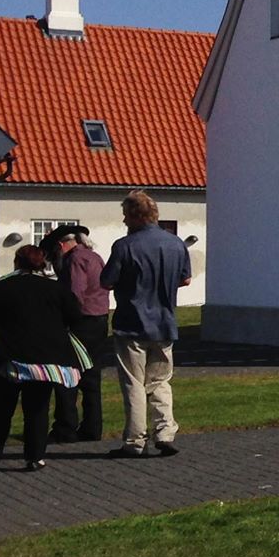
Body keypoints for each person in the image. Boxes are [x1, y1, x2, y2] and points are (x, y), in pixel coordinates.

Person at [0, 246, 86, 471]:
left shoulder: (1, 287)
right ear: (42, 263)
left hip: (9, 358)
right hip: (45, 361)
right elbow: (76, 316)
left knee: (0, 410)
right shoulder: (56, 288)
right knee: (37, 409)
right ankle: (35, 457)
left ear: (17, 262)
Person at [99, 189, 192, 458]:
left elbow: (106, 281)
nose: (124, 221)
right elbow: (185, 279)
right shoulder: (176, 244)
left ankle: (135, 441)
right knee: (161, 381)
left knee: (134, 383)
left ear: (136, 216)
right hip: (164, 323)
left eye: (126, 215)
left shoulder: (124, 246)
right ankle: (165, 433)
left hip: (132, 322)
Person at [44, 225, 110, 442]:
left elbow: (74, 295)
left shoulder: (74, 260)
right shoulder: (94, 257)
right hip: (99, 320)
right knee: (91, 377)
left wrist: (60, 320)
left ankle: (66, 427)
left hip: (80, 323)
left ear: (60, 245)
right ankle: (92, 427)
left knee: (68, 376)